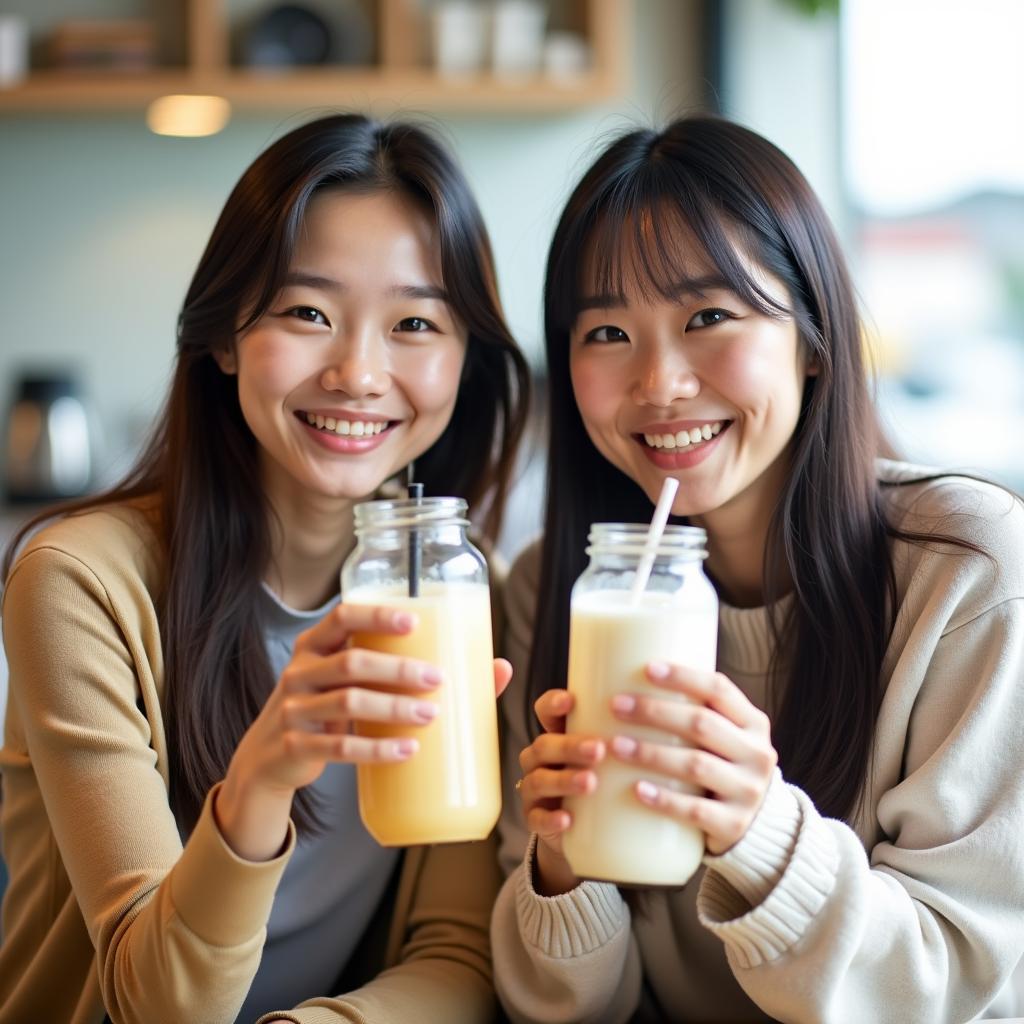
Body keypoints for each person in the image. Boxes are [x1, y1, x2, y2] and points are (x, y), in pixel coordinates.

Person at [491, 115, 1024, 1023]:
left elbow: (961, 981)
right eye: (606, 333)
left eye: (709, 316)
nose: (658, 382)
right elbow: (576, 1010)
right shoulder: (554, 590)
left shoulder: (965, 571)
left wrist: (759, 831)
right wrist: (560, 864)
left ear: (814, 337)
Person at [0, 113, 529, 1024]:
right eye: (308, 313)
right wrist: (262, 777)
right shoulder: (79, 581)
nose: (360, 373)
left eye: (413, 323)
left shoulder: (457, 585)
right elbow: (153, 1001)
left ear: (464, 364)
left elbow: (457, 954)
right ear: (225, 336)